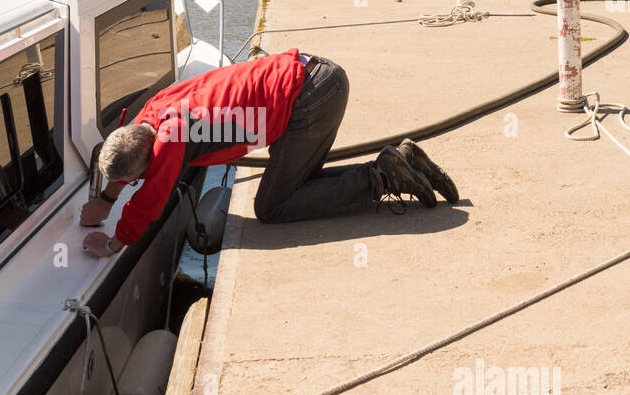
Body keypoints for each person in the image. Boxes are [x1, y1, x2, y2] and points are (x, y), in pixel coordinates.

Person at [80, 49, 457, 258]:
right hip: (312, 77)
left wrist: (112, 244)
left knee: (272, 207)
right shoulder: (151, 115)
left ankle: (385, 176)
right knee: (296, 187)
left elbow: (147, 204)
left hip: (310, 98)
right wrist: (106, 201)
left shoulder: (171, 138)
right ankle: (402, 160)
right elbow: (133, 177)